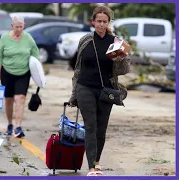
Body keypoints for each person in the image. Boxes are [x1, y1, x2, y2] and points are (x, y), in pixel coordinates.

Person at [68, 6, 131, 176]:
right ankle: (91, 167)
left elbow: (123, 70)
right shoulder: (86, 40)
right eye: (98, 21)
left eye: (104, 22)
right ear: (93, 21)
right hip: (85, 87)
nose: (101, 25)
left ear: (108, 22)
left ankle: (96, 161)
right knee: (90, 126)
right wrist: (74, 94)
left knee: (101, 129)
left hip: (106, 90)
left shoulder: (115, 42)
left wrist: (121, 59)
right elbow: (77, 68)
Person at [0, 16, 39, 138]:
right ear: (12, 26)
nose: (19, 29)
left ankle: (18, 126)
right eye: (17, 27)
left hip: (23, 73)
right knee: (9, 99)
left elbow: (36, 55)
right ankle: (10, 124)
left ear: (24, 26)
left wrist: (39, 75)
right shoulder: (5, 38)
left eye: (21, 27)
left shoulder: (28, 38)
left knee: (20, 98)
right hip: (7, 72)